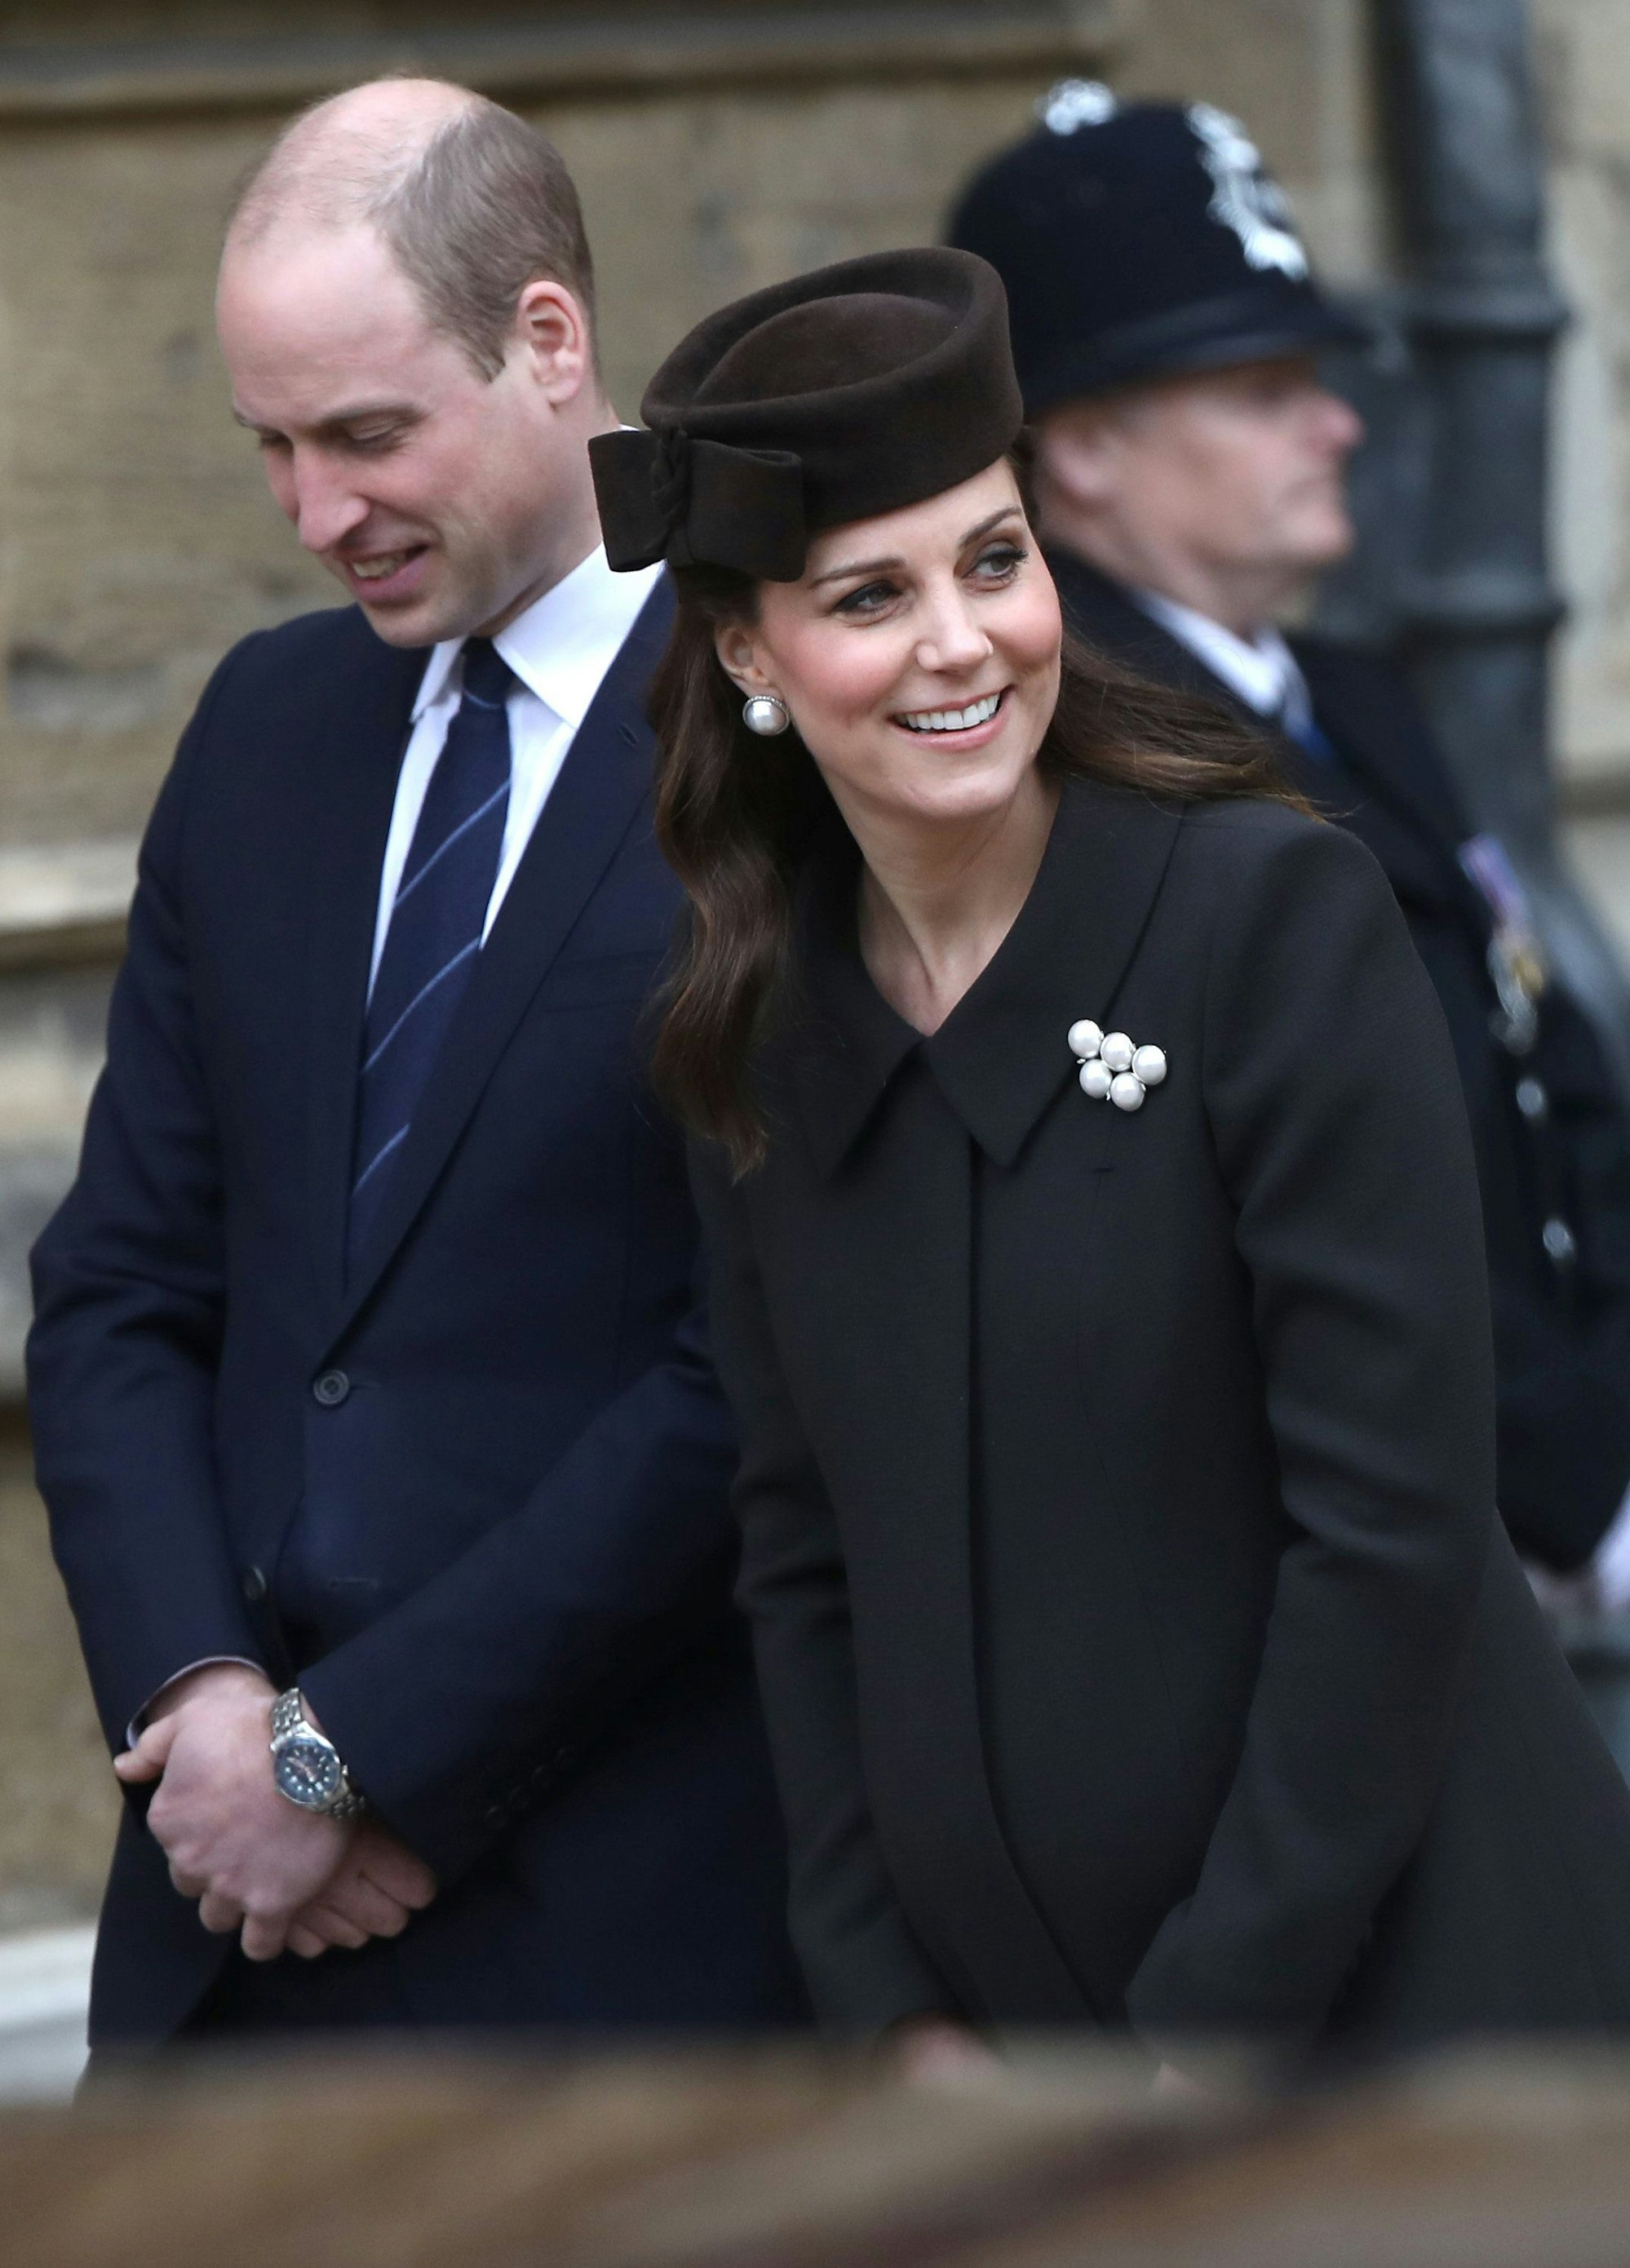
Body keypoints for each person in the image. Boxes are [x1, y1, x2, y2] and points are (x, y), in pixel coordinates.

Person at [589, 244, 1630, 2066]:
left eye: (995, 561)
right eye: (868, 594)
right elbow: (800, 1551)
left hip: (1401, 2031)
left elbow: (1385, 1533)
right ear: (749, 652)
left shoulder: (1267, 913)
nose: (960, 641)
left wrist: (1192, 2042)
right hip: (1010, 2070)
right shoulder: (754, 1026)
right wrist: (890, 2009)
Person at [28, 79, 803, 2051]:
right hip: (225, 1944)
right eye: (271, 447)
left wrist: (347, 1760)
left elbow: (754, 1362)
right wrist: (208, 1714)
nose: (315, 513)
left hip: (621, 1929)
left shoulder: (783, 735)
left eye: (369, 435)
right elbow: (125, 1284)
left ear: (550, 342)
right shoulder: (269, 724)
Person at [948, 86, 1630, 1584]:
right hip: (1351, 1542)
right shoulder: (1091, 763)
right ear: (1082, 451)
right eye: (1261, 387)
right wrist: (1570, 1484)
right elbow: (1296, 1202)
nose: (1336, 423)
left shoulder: (1357, 699)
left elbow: (1551, 1067)